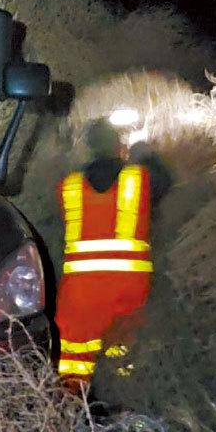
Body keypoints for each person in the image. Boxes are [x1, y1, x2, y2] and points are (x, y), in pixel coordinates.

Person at [54, 124, 171, 392]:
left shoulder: (68, 186)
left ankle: (71, 412)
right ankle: (125, 403)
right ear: (120, 146)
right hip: (128, 288)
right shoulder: (140, 178)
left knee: (74, 358)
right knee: (123, 353)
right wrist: (144, 151)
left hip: (79, 292)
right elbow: (166, 182)